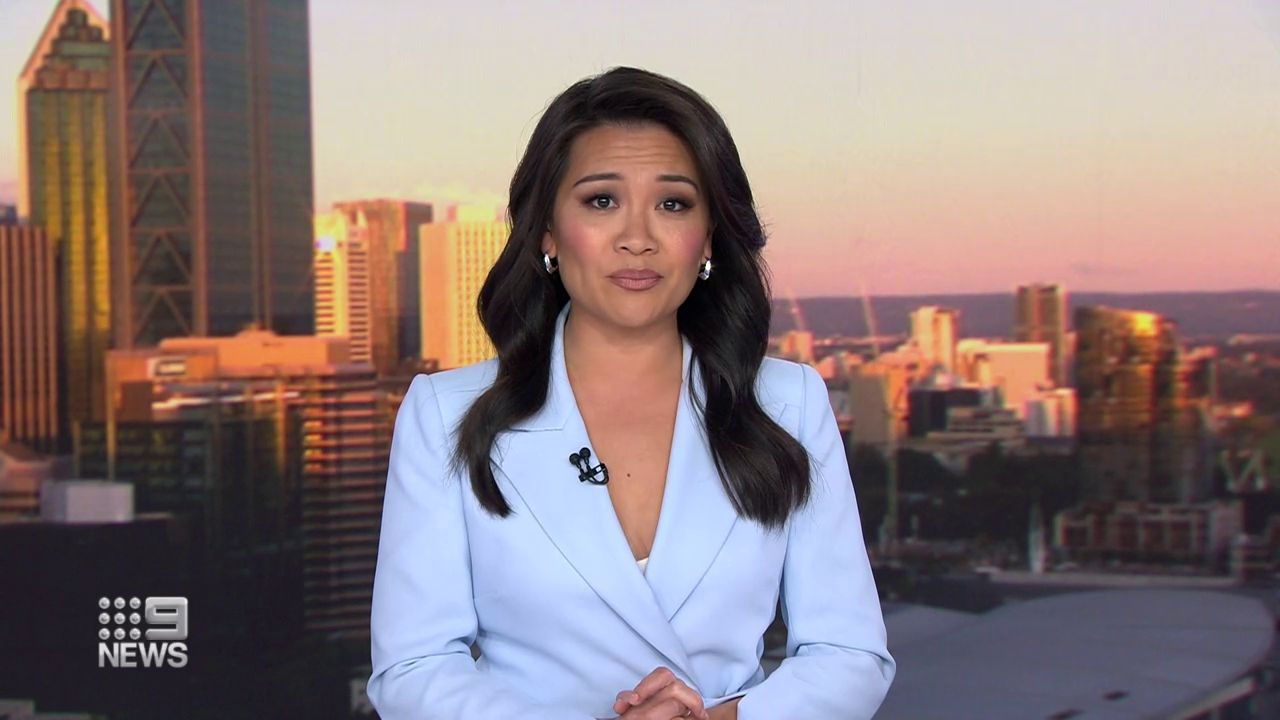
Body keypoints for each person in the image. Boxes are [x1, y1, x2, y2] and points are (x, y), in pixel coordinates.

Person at [368, 66, 895, 720]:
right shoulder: (446, 415)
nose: (638, 239)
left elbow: (849, 655)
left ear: (709, 235)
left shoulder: (790, 404)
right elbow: (414, 669)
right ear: (548, 231)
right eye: (601, 201)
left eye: (673, 204)